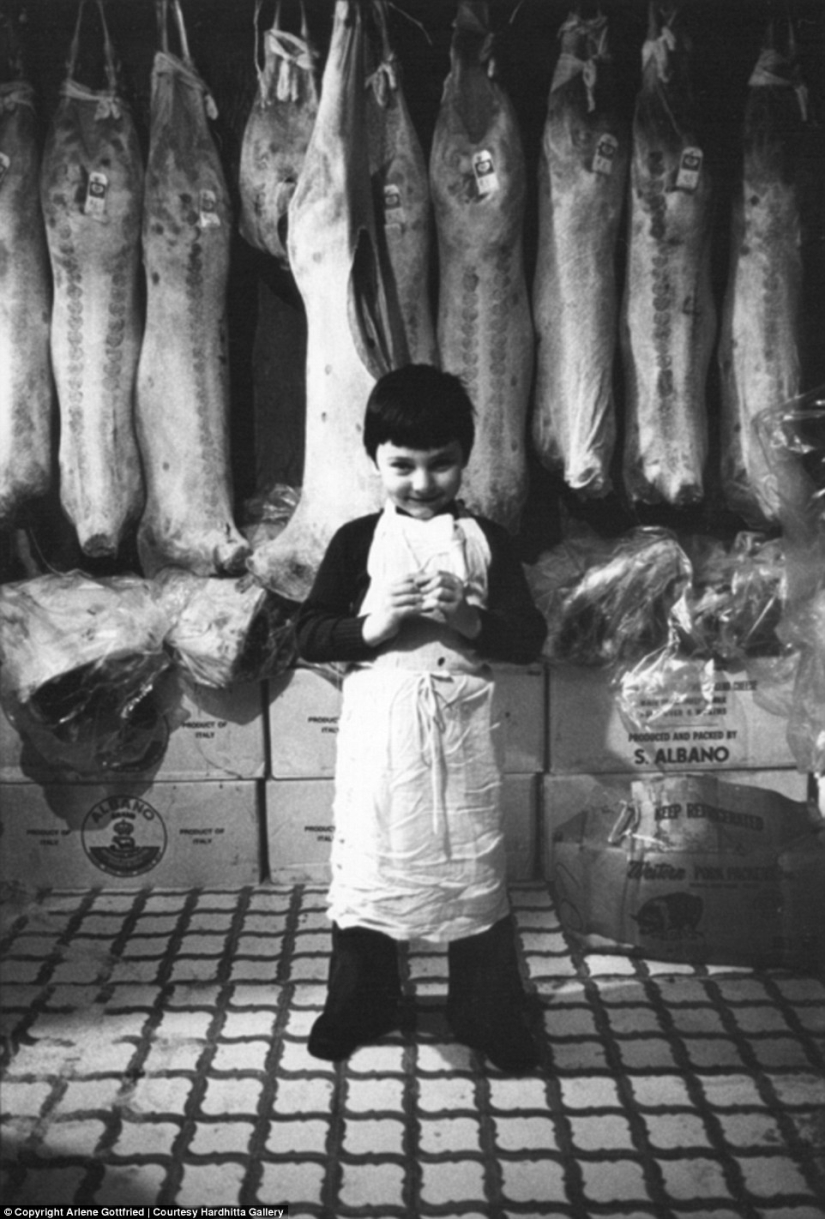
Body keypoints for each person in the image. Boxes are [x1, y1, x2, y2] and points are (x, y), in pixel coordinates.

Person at [295, 364, 548, 1073]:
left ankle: (484, 1008)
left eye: (440, 464)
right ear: (374, 458)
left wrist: (468, 616)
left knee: (472, 872)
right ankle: (361, 1000)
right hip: (379, 741)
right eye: (401, 465)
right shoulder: (353, 541)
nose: (421, 481)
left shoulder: (487, 538)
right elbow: (308, 633)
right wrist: (370, 625)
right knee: (373, 871)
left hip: (459, 736)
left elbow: (528, 638)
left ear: (464, 459)